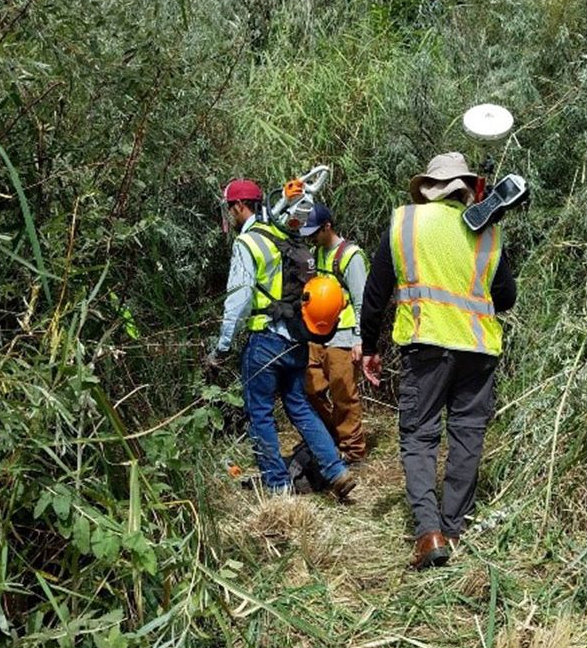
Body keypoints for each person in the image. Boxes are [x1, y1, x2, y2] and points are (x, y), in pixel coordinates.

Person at [359, 153, 517, 569]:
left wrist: (369, 347)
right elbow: (506, 298)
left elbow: (375, 293)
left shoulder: (405, 223)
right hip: (478, 350)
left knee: (420, 435)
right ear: (465, 189)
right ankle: (452, 529)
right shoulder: (487, 231)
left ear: (429, 188)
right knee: (467, 435)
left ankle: (428, 534)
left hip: (426, 344)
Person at [210, 178, 356, 498]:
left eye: (231, 210)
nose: (231, 217)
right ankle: (335, 469)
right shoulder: (283, 234)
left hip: (265, 339)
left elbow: (239, 298)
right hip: (297, 338)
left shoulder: (248, 243)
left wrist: (221, 348)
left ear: (239, 206)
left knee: (259, 411)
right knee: (299, 406)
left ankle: (277, 487)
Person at [299, 202, 369, 464]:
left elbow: (362, 300)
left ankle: (353, 450)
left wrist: (360, 339)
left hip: (344, 334)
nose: (312, 238)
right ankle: (330, 438)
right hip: (318, 333)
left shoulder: (352, 256)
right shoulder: (317, 252)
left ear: (327, 226)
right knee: (309, 388)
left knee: (343, 393)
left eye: (315, 232)